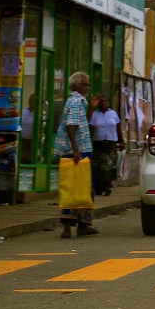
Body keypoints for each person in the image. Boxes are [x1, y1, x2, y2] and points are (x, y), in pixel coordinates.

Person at [54, 72, 97, 238]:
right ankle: (75, 225)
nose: (88, 88)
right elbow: (71, 125)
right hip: (78, 151)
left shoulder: (78, 102)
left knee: (74, 188)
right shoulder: (76, 101)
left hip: (78, 148)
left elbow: (81, 122)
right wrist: (76, 150)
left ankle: (81, 225)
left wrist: (92, 108)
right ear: (78, 86)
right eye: (85, 85)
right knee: (82, 188)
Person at [89, 94, 121, 197]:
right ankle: (99, 187)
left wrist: (122, 141)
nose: (103, 103)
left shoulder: (113, 114)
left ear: (108, 102)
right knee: (98, 166)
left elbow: (118, 127)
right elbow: (91, 128)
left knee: (109, 166)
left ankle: (106, 186)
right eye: (101, 101)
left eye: (105, 101)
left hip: (111, 142)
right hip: (99, 143)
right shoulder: (95, 114)